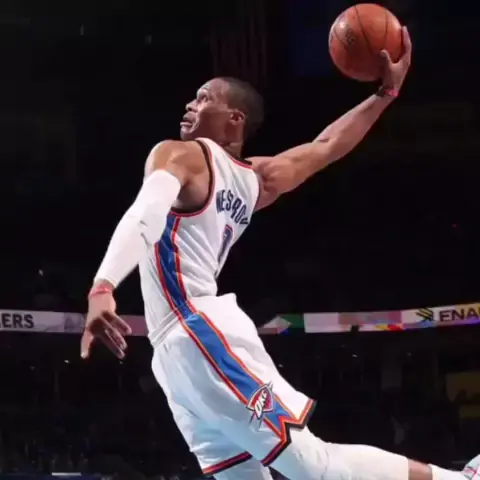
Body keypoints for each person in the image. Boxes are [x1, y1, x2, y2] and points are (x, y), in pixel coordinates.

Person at [80, 28, 477, 480]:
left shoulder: (182, 154)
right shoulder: (256, 180)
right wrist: (385, 94)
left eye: (203, 98)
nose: (190, 105)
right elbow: (326, 147)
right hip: (173, 350)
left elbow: (145, 213)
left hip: (196, 330)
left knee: (314, 467)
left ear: (234, 118)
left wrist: (103, 285)